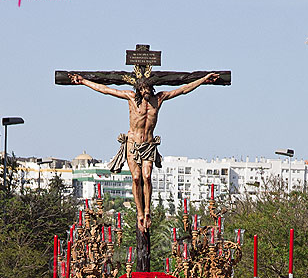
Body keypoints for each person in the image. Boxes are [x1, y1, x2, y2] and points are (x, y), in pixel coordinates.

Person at [69, 71, 219, 232]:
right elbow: (105, 89)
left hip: (148, 144)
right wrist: (84, 81)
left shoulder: (159, 99)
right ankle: (140, 213)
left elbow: (182, 89)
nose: (146, 93)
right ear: (139, 89)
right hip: (133, 144)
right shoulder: (131, 98)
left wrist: (203, 80)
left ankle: (147, 211)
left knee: (147, 176)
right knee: (136, 177)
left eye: (148, 90)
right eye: (143, 90)